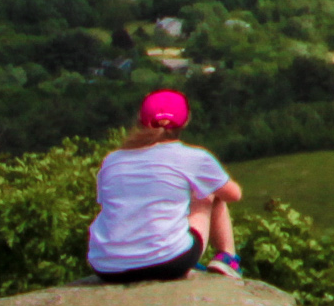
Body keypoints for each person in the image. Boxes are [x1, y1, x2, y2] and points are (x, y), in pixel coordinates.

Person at [87, 90, 243, 283]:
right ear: (185, 121)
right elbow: (233, 195)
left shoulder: (112, 160)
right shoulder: (194, 157)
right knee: (210, 191)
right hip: (168, 262)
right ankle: (227, 259)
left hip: (107, 267)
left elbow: (107, 203)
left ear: (141, 120)